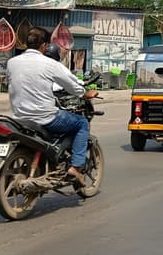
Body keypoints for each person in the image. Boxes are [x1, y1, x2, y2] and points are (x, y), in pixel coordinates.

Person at [7, 27, 98, 184]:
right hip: (45, 117)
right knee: (81, 123)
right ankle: (75, 168)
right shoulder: (49, 64)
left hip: (19, 117)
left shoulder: (11, 62)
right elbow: (72, 85)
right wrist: (85, 93)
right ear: (44, 46)